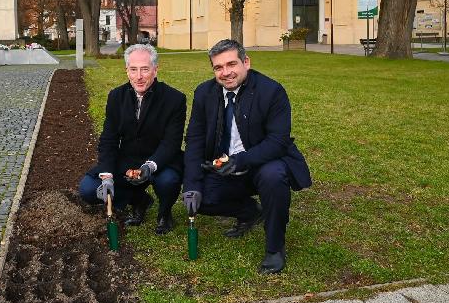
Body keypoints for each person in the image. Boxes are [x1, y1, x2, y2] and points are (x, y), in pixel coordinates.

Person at [182, 39, 312, 274]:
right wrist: (191, 185)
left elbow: (278, 142)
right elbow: (194, 140)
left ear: (246, 62)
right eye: (218, 67)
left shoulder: (272, 91)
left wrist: (239, 161)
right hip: (223, 166)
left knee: (274, 176)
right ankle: (250, 211)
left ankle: (274, 248)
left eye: (231, 64)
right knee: (201, 198)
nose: (226, 73)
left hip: (262, 163)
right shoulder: (204, 93)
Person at [78, 44, 186, 234]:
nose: (139, 76)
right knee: (88, 189)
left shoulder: (175, 99)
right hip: (127, 159)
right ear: (126, 70)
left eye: (145, 69)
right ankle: (139, 200)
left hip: (161, 160)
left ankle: (164, 213)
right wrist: (107, 176)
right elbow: (109, 139)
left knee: (168, 180)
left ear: (155, 70)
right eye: (133, 69)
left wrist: (149, 167)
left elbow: (171, 143)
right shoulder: (116, 96)